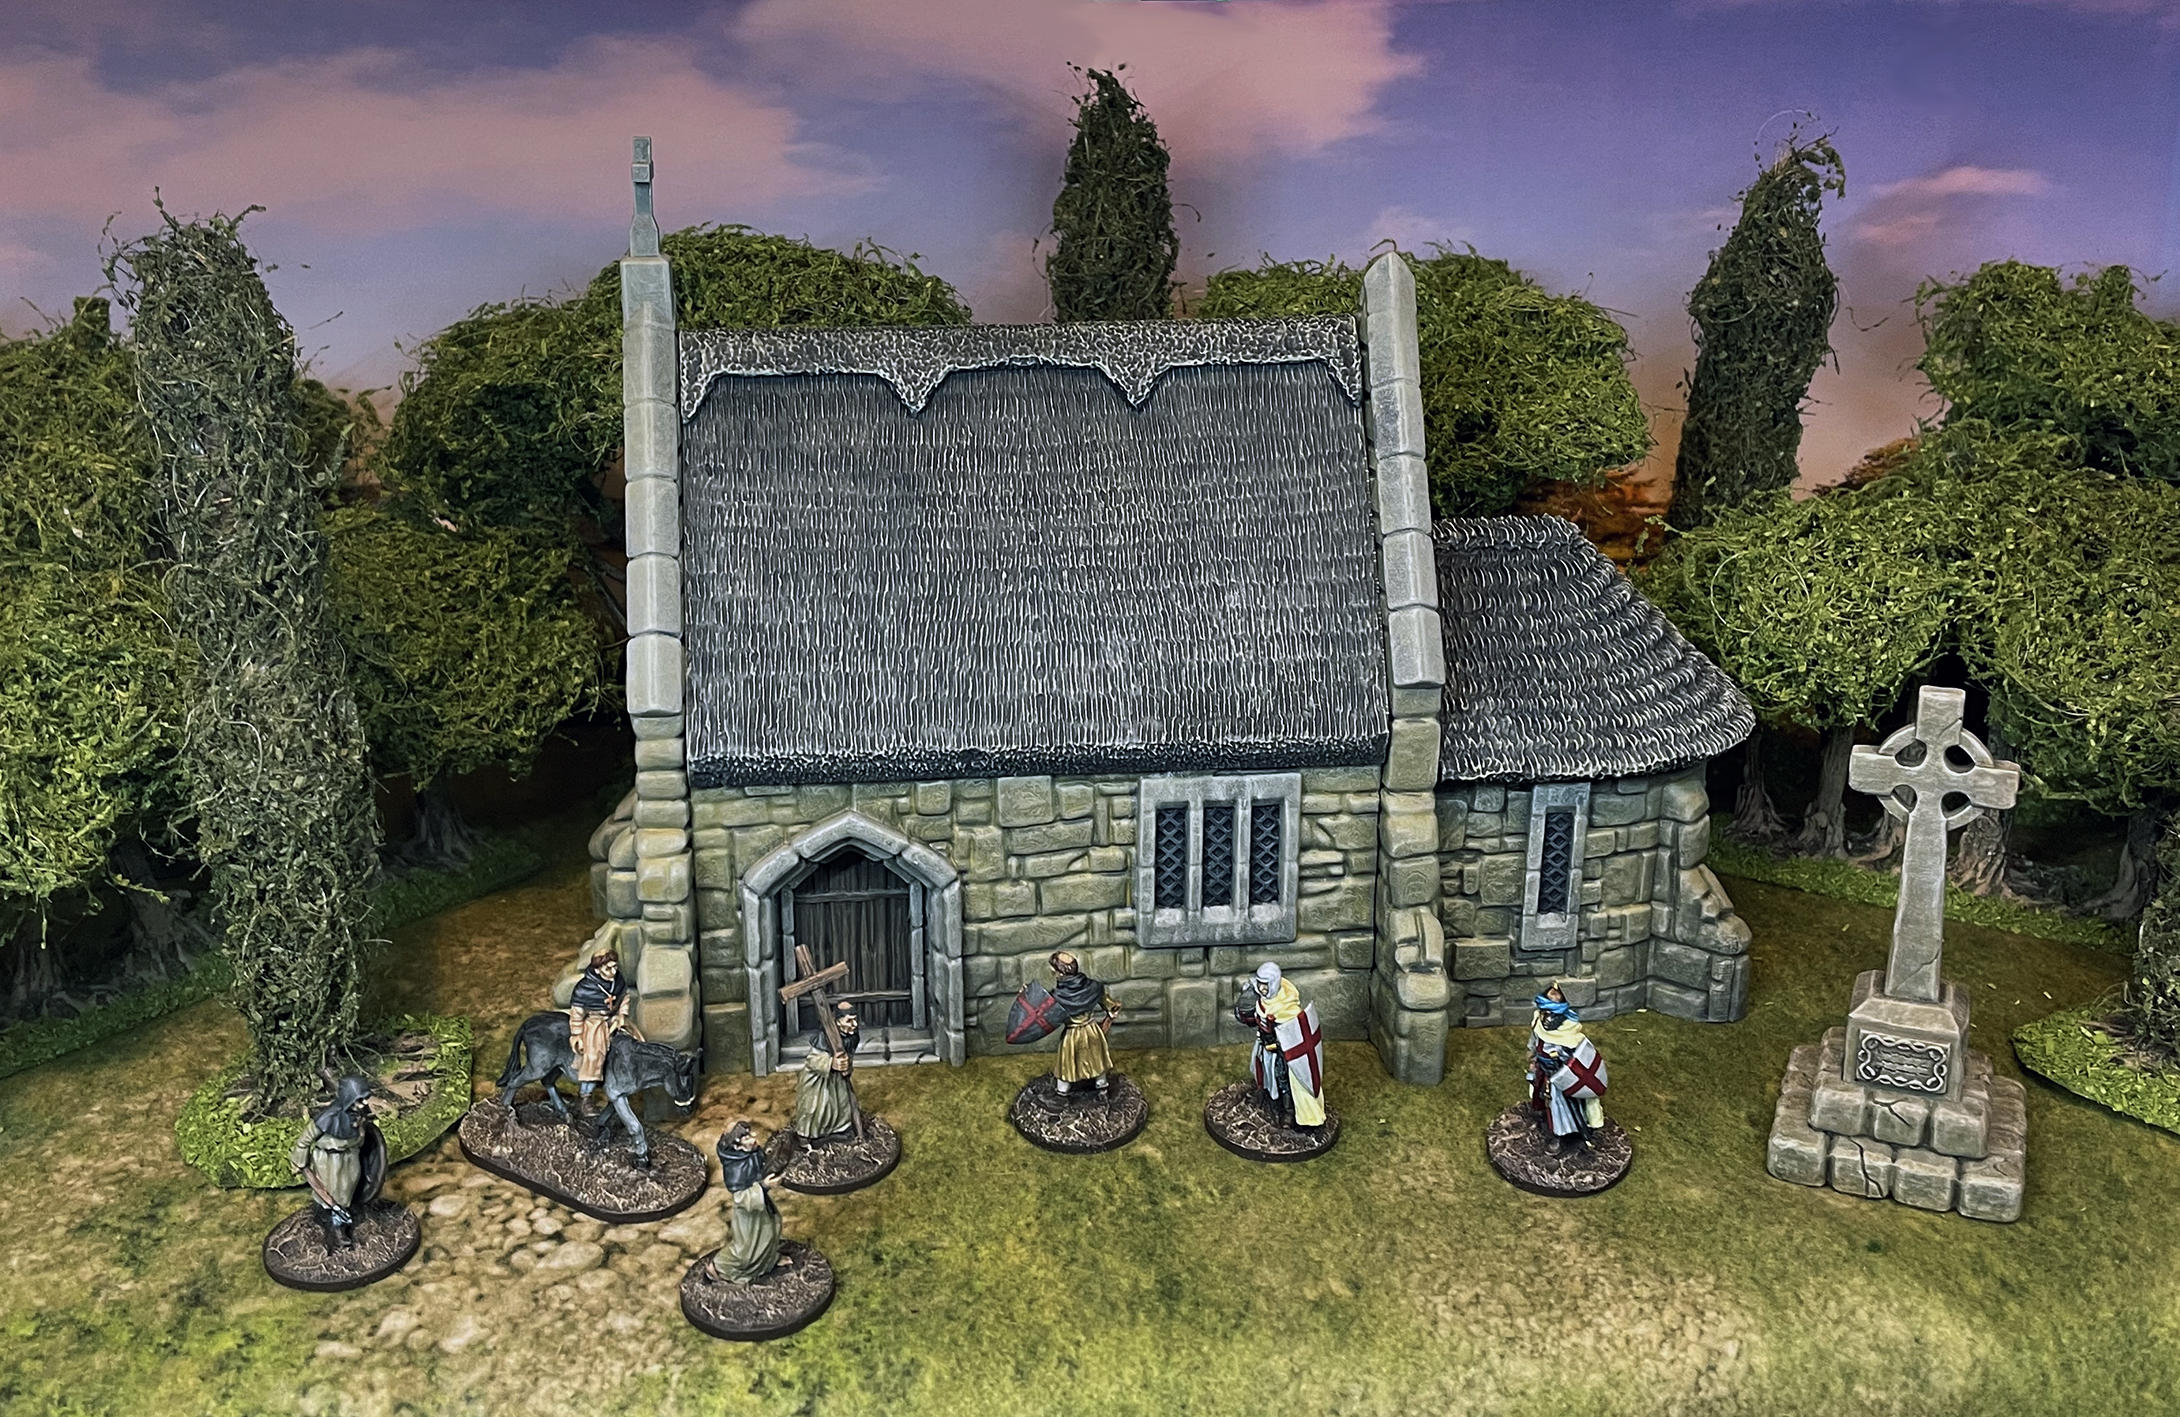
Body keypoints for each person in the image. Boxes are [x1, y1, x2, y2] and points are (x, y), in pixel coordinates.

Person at [288, 1075, 386, 1249]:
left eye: (364, 1098)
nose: (364, 1103)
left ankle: (348, 1212)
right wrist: (300, 1161)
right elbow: (305, 1139)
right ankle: (336, 1232)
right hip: (330, 1160)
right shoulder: (329, 1117)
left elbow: (364, 1134)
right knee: (334, 1194)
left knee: (348, 1190)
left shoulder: (359, 1113)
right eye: (359, 1099)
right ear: (348, 1098)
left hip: (351, 1157)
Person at [1242, 961, 1327, 1129]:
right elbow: (1253, 1019)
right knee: (1265, 1073)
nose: (1262, 988)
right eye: (1260, 983)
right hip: (1265, 1046)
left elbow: (1295, 1035)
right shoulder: (1262, 1001)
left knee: (1284, 1080)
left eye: (1265, 984)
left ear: (1274, 983)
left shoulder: (1289, 1008)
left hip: (1283, 1052)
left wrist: (1278, 1045)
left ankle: (1289, 1112)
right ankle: (1268, 1096)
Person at [1527, 985, 1607, 1153]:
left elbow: (1580, 1062)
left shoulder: (1570, 1034)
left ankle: (1558, 1136)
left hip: (1560, 1077)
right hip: (1542, 1071)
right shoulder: (1538, 1023)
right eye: (1544, 1013)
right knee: (1540, 1097)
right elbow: (1534, 1043)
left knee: (1559, 1108)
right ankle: (1544, 1116)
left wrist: (1564, 1071)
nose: (1546, 1018)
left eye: (1550, 1013)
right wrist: (1533, 1060)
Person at [708, 1121, 787, 1283]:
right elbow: (740, 1196)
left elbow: (763, 1166)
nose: (753, 1138)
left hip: (760, 1203)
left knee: (770, 1231)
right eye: (747, 1138)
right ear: (737, 1146)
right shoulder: (735, 1168)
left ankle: (768, 1262)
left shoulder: (753, 1153)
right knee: (746, 1248)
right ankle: (719, 1265)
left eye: (750, 1134)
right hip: (748, 1211)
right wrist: (764, 1186)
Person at [568, 948, 639, 1114]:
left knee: (636, 1040)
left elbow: (625, 997)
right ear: (598, 969)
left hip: (614, 1020)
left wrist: (621, 1015)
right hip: (594, 1024)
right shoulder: (585, 988)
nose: (613, 971)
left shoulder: (617, 981)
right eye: (608, 968)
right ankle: (586, 1097)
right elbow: (577, 1013)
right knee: (594, 1057)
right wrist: (577, 1035)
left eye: (615, 967)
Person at [1048, 951, 1117, 1096]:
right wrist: (1110, 1015)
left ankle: (1063, 1090)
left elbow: (1045, 1015)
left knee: (1068, 1064)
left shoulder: (1056, 996)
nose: (1052, 972)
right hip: (1092, 1031)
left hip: (1072, 1035)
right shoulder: (1093, 987)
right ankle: (1101, 1085)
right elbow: (1111, 1006)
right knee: (1096, 1059)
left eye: (1054, 969)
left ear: (1060, 973)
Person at [792, 999, 862, 1142]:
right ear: (838, 1022)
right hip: (819, 1081)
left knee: (840, 1105)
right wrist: (831, 1063)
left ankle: (838, 1130)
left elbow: (849, 1055)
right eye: (849, 1021)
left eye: (855, 1020)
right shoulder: (823, 1038)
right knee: (818, 1107)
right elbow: (812, 1060)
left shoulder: (852, 1037)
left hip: (837, 1080)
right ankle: (808, 1136)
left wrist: (847, 1065)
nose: (854, 1025)